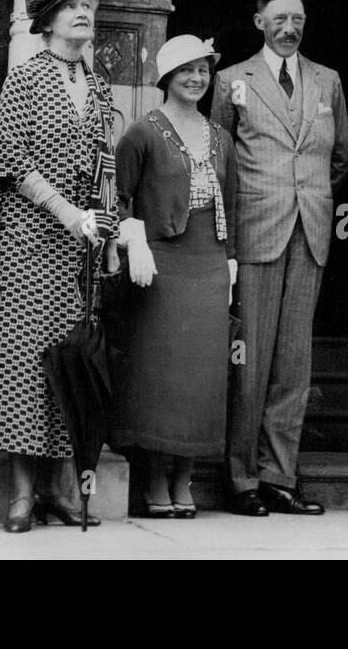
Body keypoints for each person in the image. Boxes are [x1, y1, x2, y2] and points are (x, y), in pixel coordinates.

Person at [0, 0, 118, 533]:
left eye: (90, 7)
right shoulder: (26, 78)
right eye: (73, 7)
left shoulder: (99, 88)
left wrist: (109, 232)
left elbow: (106, 167)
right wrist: (65, 211)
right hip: (28, 246)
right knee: (22, 366)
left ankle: (59, 489)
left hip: (80, 254)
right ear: (48, 20)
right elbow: (9, 160)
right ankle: (21, 495)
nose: (84, 14)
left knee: (69, 364)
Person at [210, 0, 348, 516]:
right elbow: (221, 159)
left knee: (294, 364)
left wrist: (307, 197)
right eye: (279, 19)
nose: (289, 27)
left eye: (297, 18)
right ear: (259, 22)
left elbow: (340, 156)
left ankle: (279, 477)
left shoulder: (327, 81)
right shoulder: (230, 81)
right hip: (255, 232)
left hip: (309, 232)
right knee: (250, 361)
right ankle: (242, 478)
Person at [108, 35, 238, 519]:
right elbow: (118, 199)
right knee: (160, 377)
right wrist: (134, 242)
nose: (196, 78)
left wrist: (231, 261)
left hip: (209, 263)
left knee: (201, 379)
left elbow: (236, 203)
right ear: (166, 77)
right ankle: (153, 480)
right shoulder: (143, 133)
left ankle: (183, 479)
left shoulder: (220, 136)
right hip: (160, 265)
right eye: (186, 70)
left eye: (203, 70)